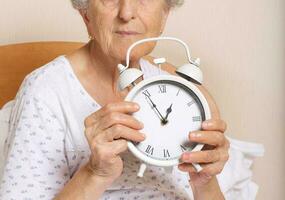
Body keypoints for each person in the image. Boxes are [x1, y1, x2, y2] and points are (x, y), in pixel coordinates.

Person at [0, 0, 229, 199]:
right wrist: (94, 173)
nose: (126, 13)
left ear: (165, 13)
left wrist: (205, 180)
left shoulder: (186, 95)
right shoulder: (46, 90)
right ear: (85, 13)